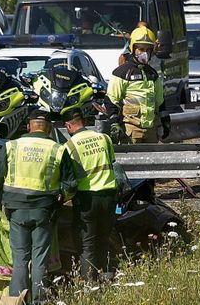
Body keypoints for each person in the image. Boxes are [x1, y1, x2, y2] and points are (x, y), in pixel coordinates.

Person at [0, 110, 77, 303]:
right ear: (49, 128)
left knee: (20, 259)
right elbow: (71, 185)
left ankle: (16, 300)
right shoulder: (58, 149)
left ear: (29, 126)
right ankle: (39, 300)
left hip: (16, 212)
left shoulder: (12, 146)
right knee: (39, 259)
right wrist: (63, 197)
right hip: (44, 211)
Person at [64, 110, 118, 282]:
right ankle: (108, 278)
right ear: (83, 121)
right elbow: (111, 162)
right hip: (109, 195)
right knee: (105, 238)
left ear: (68, 126)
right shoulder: (104, 138)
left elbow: (69, 177)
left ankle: (90, 285)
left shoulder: (70, 146)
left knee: (87, 245)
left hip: (86, 199)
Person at [107, 26, 169, 143]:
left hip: (151, 130)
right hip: (130, 130)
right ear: (133, 48)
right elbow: (111, 100)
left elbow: (160, 101)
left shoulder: (153, 74)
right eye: (140, 49)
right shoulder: (121, 73)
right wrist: (114, 123)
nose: (144, 53)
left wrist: (166, 120)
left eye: (147, 50)